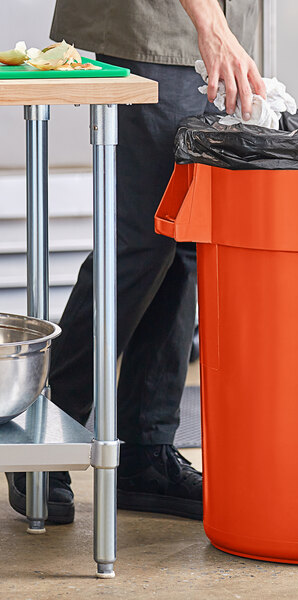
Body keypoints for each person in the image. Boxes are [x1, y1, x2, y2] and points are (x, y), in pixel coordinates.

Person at [6, 0, 265, 524]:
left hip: (209, 28)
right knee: (146, 239)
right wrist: (210, 24)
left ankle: (146, 453)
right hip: (165, 27)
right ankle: (47, 429)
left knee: (186, 240)